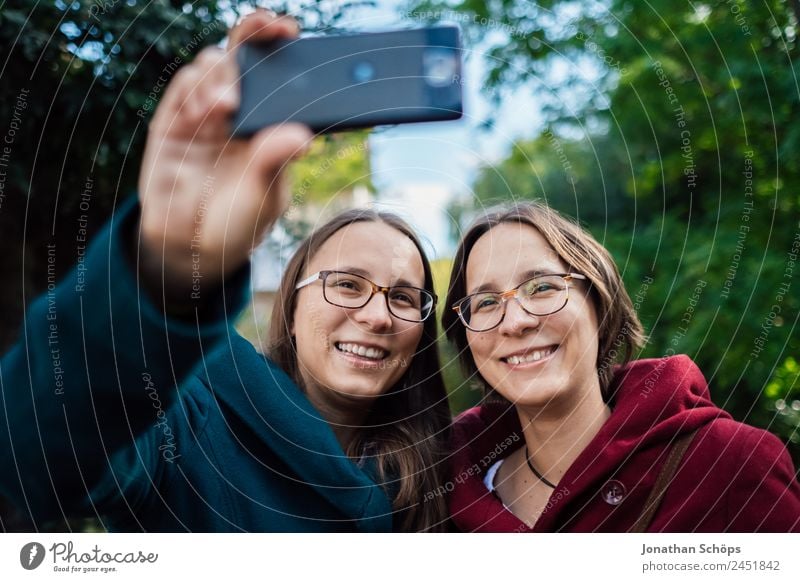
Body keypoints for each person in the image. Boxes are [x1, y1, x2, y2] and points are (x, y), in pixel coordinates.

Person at [0, 11, 450, 532]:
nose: (377, 316)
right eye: (346, 284)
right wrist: (166, 269)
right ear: (293, 302)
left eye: (403, 297)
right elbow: (35, 457)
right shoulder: (194, 416)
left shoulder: (441, 476)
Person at [441, 202, 800, 532]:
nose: (515, 321)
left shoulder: (732, 463)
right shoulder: (440, 503)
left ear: (598, 303)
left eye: (542, 287)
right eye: (486, 302)